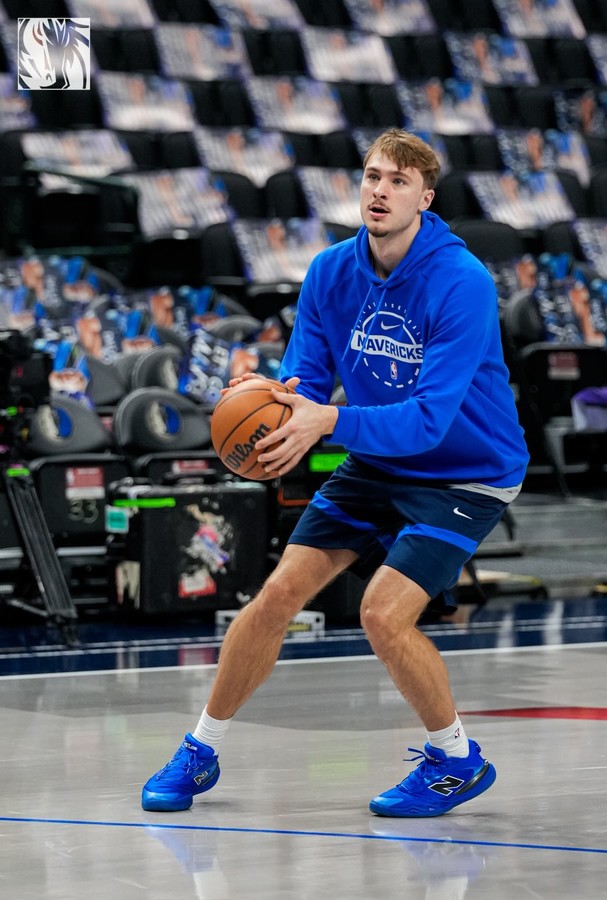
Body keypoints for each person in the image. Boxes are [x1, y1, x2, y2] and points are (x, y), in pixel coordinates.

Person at [141, 129, 529, 818]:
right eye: (373, 176)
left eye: (399, 181)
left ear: (425, 198)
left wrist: (326, 422)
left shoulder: (462, 282)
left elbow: (427, 421)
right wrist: (273, 401)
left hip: (466, 472)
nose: (380, 191)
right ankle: (201, 749)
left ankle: (457, 759)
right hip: (377, 461)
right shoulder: (328, 271)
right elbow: (307, 380)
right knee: (276, 597)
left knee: (382, 613)